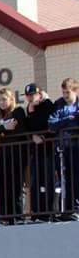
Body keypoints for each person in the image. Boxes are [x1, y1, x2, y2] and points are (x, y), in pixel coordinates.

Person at [0, 90, 26, 225]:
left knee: (16, 185)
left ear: (11, 99)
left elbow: (21, 130)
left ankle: (18, 216)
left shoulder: (18, 111)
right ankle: (5, 217)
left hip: (17, 152)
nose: (2, 103)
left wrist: (2, 130)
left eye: (4, 99)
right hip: (3, 153)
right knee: (3, 185)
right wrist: (4, 127)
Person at [23, 84, 56, 222]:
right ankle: (35, 213)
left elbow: (44, 123)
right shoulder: (29, 108)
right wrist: (32, 136)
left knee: (47, 181)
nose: (30, 98)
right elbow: (28, 127)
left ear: (39, 94)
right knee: (35, 182)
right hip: (35, 150)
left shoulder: (47, 104)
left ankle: (48, 213)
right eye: (28, 96)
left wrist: (33, 113)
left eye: (33, 95)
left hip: (48, 148)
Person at [49, 78, 79, 218]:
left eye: (68, 92)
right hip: (63, 147)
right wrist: (69, 119)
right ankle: (68, 210)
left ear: (75, 91)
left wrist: (63, 123)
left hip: (77, 146)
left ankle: (77, 208)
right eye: (63, 92)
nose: (65, 95)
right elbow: (52, 125)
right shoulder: (59, 104)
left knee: (77, 177)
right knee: (65, 178)